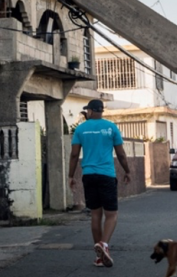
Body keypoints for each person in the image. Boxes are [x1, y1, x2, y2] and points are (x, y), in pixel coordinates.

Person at [68, 99, 131, 268]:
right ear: (101, 111)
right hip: (106, 176)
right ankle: (104, 244)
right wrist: (127, 171)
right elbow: (121, 154)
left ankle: (99, 256)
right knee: (111, 215)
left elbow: (74, 155)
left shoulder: (81, 129)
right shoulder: (111, 127)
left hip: (89, 175)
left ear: (90, 111)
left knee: (96, 215)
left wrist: (70, 176)